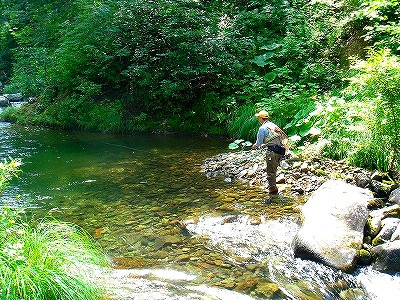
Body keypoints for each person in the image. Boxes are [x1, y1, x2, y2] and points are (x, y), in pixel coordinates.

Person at [252, 110, 286, 194]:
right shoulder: (273, 125)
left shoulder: (262, 128)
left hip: (272, 152)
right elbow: (274, 138)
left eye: (258, 118)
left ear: (261, 118)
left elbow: (258, 143)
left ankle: (273, 190)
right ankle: (273, 188)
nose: (258, 119)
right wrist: (265, 145)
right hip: (280, 151)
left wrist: (255, 146)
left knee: (270, 171)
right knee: (274, 170)